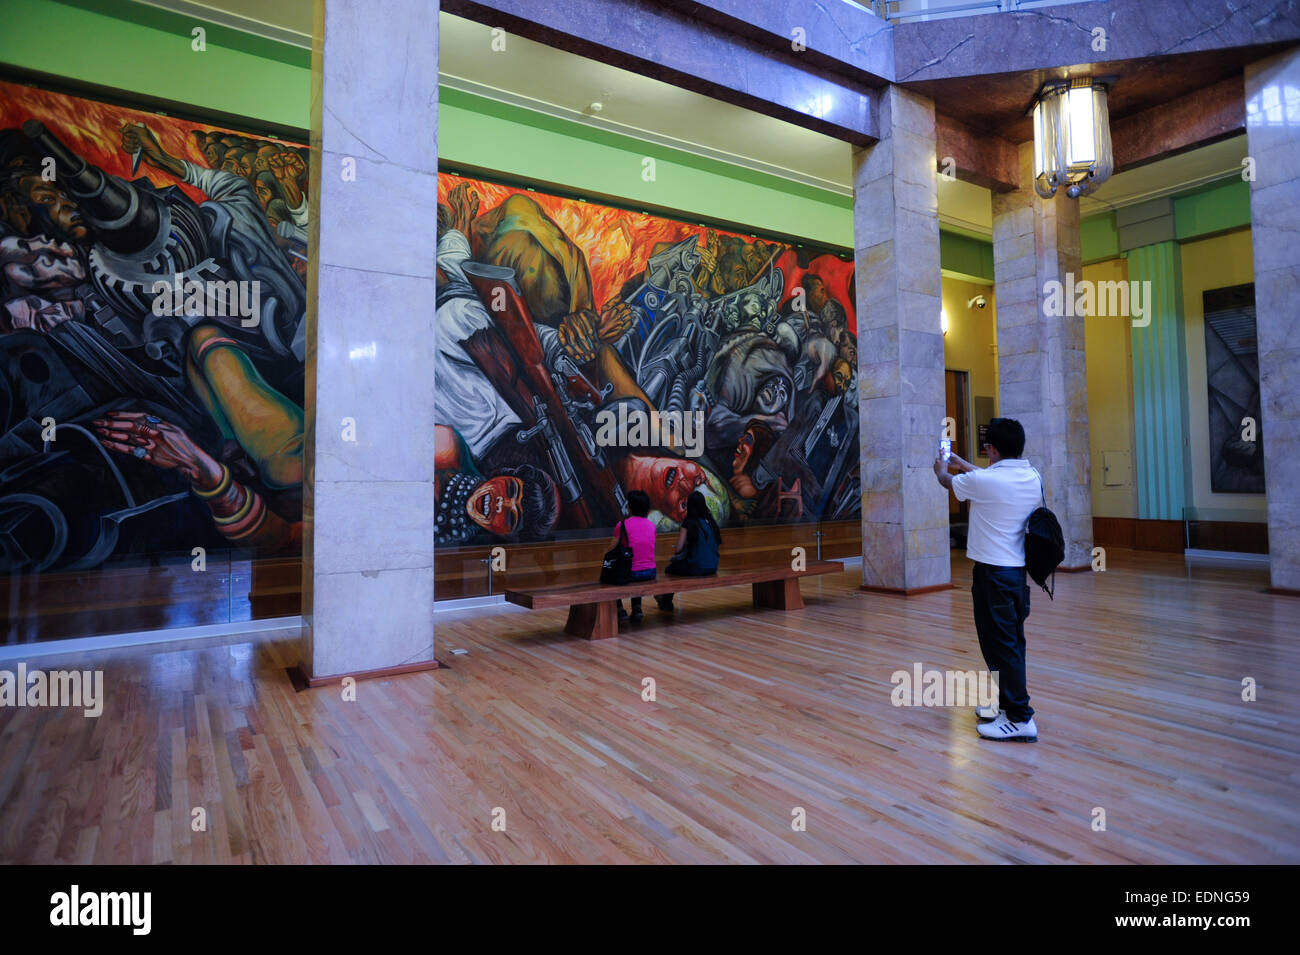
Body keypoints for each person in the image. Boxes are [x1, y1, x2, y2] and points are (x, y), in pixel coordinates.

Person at [933, 417, 1042, 742]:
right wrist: (961, 462)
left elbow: (946, 481)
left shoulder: (986, 482)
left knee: (1000, 646)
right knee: (1010, 643)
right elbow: (985, 478)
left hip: (992, 574)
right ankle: (1007, 706)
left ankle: (1021, 718)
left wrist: (942, 466)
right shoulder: (1031, 475)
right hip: (1015, 572)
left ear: (991, 450)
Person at [656, 489, 721, 612]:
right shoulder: (711, 522)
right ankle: (665, 601)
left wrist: (680, 547)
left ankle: (666, 601)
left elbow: (678, 549)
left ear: (689, 506)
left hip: (697, 567)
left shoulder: (689, 523)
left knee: (670, 569)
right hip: (713, 566)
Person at [612, 489, 657, 623]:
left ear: (629, 507)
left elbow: (611, 549)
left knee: (612, 574)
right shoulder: (651, 526)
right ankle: (637, 607)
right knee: (637, 569)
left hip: (631, 573)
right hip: (650, 572)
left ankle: (619, 609)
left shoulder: (622, 525)